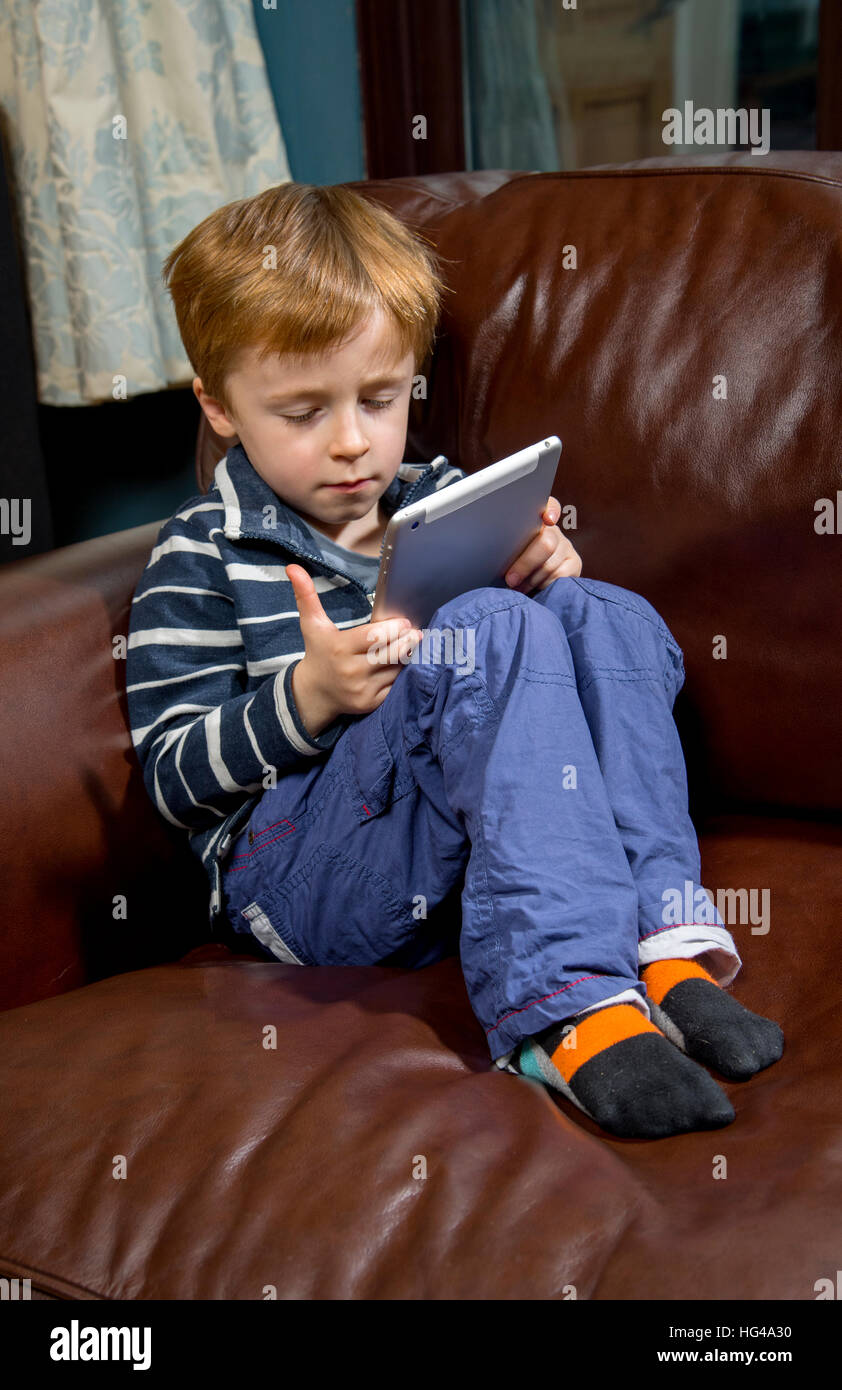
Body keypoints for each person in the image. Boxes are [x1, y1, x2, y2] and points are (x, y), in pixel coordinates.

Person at [126, 182, 783, 1140]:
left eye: (379, 399)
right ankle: (565, 1010)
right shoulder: (202, 556)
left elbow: (515, 684)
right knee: (494, 627)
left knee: (607, 615)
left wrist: (547, 574)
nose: (353, 442)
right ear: (220, 407)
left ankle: (662, 946)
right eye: (303, 412)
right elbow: (171, 780)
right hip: (299, 878)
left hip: (466, 850)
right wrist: (307, 698)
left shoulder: (444, 496)